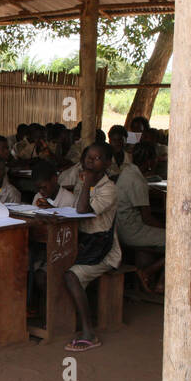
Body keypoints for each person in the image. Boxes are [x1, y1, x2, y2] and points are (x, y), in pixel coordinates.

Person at [63, 144, 122, 351]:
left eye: (97, 159)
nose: (90, 161)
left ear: (107, 163)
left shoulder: (109, 189)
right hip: (83, 244)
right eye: (88, 157)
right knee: (49, 265)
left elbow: (82, 210)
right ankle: (60, 322)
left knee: (71, 275)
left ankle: (89, 332)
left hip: (102, 251)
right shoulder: (82, 184)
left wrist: (87, 181)